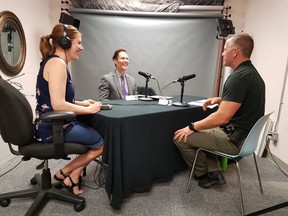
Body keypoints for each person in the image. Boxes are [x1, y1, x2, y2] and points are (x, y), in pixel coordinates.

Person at [174, 33, 265, 188]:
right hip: (245, 138)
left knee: (179, 137)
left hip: (234, 141)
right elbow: (243, 103)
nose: (223, 53)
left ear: (235, 52)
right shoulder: (252, 75)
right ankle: (215, 172)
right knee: (208, 129)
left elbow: (222, 118)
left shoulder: (238, 78)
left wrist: (191, 127)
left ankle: (204, 175)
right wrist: (220, 100)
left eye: (225, 49)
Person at [34, 23, 104, 195]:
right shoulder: (57, 64)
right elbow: (58, 105)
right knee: (102, 145)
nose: (82, 47)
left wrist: (81, 103)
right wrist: (89, 110)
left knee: (91, 136)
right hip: (54, 128)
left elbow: (57, 99)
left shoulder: (54, 62)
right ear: (65, 43)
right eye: (78, 43)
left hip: (51, 124)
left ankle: (72, 178)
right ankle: (64, 172)